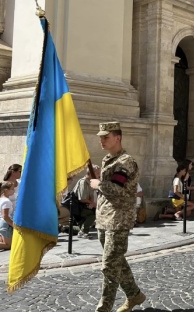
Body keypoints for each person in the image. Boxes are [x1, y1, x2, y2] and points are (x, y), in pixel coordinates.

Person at [89, 122, 146, 312]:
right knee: (117, 261)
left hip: (118, 219)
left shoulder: (125, 162)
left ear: (118, 138)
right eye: (100, 137)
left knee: (109, 266)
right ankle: (134, 295)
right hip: (104, 218)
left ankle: (104, 308)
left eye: (106, 137)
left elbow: (117, 189)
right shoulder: (108, 159)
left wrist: (98, 184)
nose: (101, 140)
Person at [71, 165, 101, 238]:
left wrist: (92, 204)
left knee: (83, 226)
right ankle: (83, 231)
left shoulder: (91, 182)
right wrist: (92, 204)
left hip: (85, 206)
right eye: (98, 173)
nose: (99, 175)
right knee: (95, 214)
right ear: (91, 173)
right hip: (78, 208)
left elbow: (91, 196)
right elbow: (82, 199)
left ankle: (64, 228)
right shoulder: (83, 182)